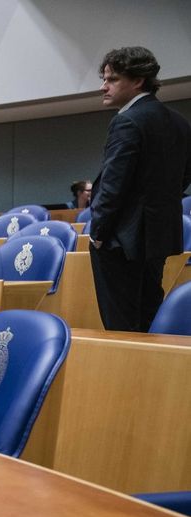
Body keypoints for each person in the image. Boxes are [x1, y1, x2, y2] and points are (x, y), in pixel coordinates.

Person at [89, 46, 191, 332]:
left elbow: (113, 184)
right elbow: (183, 176)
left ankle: (127, 377)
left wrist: (97, 234)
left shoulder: (127, 120)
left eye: (112, 80)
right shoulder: (180, 123)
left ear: (137, 81)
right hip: (157, 236)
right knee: (148, 318)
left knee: (120, 325)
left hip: (120, 239)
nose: (103, 86)